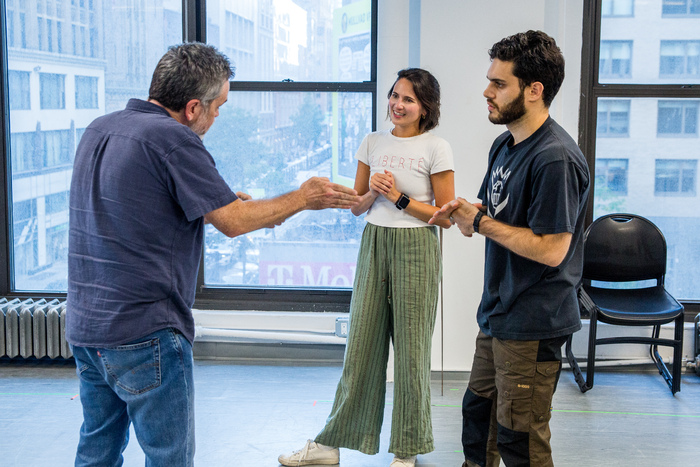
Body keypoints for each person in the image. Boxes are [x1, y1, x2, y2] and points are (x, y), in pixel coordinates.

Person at [66, 42, 360, 467]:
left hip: (87, 328)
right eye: (217, 106)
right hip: (144, 332)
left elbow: (126, 212)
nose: (217, 116)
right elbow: (235, 222)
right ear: (191, 108)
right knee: (169, 457)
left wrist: (210, 206)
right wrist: (302, 197)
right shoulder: (173, 139)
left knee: (97, 449)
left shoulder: (101, 127)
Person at [278, 68, 455, 467]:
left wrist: (400, 197)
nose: (397, 104)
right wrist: (372, 192)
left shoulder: (436, 147)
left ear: (425, 106)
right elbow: (358, 207)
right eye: (394, 96)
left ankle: (405, 450)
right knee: (360, 346)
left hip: (416, 247)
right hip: (374, 242)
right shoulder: (372, 142)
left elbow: (445, 217)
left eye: (408, 99)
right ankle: (330, 443)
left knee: (411, 350)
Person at [429, 31, 590, 467]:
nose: (487, 91)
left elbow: (554, 250)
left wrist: (480, 222)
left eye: (499, 83)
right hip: (499, 312)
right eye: (490, 80)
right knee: (478, 419)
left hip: (534, 319)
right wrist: (467, 214)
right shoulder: (505, 144)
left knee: (520, 439)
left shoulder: (555, 158)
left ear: (534, 91)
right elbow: (492, 213)